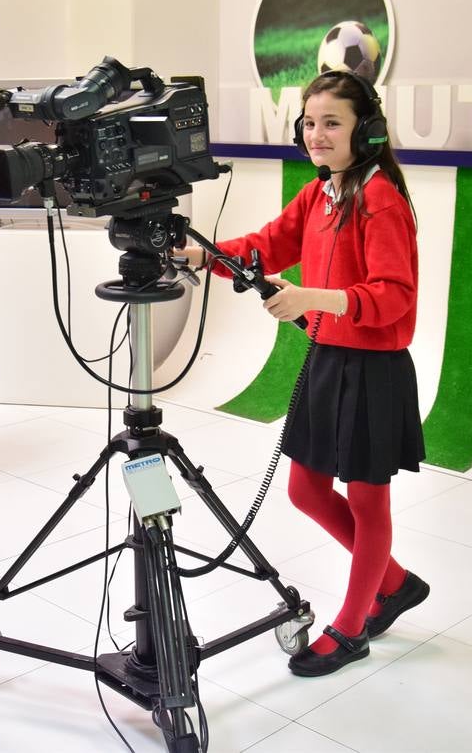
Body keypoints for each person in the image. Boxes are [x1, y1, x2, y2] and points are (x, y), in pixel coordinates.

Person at [180, 70, 429, 676]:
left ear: (365, 130)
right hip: (328, 358)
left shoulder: (381, 200)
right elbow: (267, 244)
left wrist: (313, 299)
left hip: (373, 370)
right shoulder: (321, 193)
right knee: (305, 489)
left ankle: (351, 627)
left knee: (368, 502)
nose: (317, 135)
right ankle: (393, 582)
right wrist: (197, 254)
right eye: (310, 123)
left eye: (332, 123)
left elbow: (393, 296)